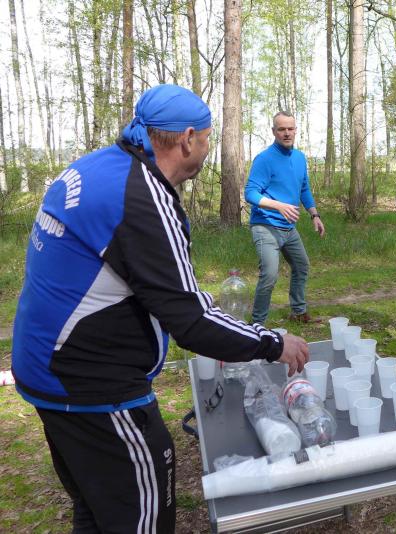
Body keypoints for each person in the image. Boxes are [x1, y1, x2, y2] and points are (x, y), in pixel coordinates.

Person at [11, 84, 309, 533]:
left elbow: (156, 287)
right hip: (93, 385)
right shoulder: (142, 198)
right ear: (187, 140)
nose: (207, 148)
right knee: (141, 508)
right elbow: (191, 321)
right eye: (207, 138)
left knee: (99, 505)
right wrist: (273, 342)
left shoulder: (102, 166)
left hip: (43, 367)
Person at [245, 111, 325, 325]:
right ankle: (257, 325)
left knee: (301, 266)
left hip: (288, 228)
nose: (287, 133)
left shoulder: (299, 158)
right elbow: (250, 193)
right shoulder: (264, 159)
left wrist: (314, 214)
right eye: (281, 129)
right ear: (274, 131)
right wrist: (278, 205)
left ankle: (298, 312)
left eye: (290, 128)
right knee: (270, 275)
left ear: (296, 130)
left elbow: (304, 188)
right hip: (265, 226)